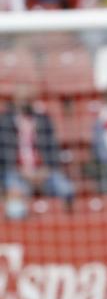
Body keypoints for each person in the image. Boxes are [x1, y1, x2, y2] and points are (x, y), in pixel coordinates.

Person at [0, 88, 73, 216]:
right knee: (16, 211)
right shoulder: (4, 121)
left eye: (27, 99)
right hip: (17, 172)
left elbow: (53, 148)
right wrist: (20, 171)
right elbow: (4, 153)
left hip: (44, 173)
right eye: (21, 99)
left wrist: (46, 170)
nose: (24, 102)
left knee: (67, 189)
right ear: (15, 101)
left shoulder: (43, 120)